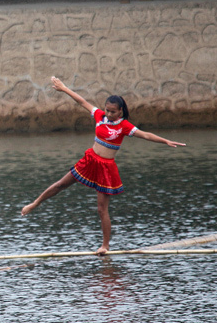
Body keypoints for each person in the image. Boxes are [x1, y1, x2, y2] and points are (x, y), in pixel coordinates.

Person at [21, 77, 186, 255]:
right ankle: (34, 204)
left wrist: (166, 141)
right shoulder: (100, 116)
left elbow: (145, 135)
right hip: (90, 160)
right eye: (107, 110)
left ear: (120, 111)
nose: (108, 114)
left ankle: (105, 245)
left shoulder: (124, 125)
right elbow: (82, 101)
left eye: (113, 112)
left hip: (106, 168)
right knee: (61, 184)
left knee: (101, 209)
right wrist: (64, 88)